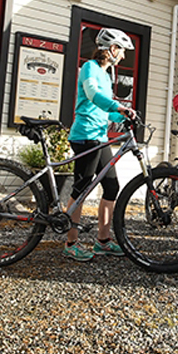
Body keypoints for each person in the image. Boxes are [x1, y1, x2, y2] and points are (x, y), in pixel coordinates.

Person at [63, 28, 137, 262]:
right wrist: (118, 107)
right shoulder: (89, 68)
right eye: (122, 51)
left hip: (100, 137)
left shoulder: (106, 75)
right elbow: (93, 95)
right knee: (82, 188)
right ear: (112, 49)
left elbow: (105, 110)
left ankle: (103, 241)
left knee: (112, 187)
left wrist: (124, 115)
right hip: (85, 136)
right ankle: (70, 243)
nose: (123, 57)